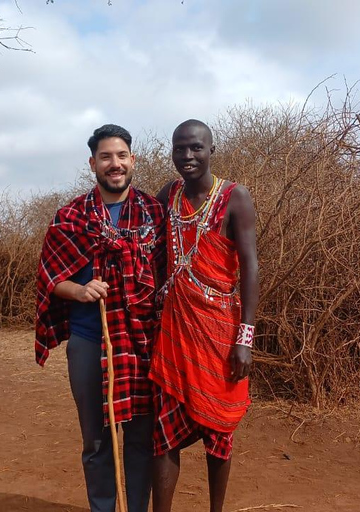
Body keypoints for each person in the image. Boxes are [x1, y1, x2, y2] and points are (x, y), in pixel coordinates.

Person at [35, 124, 165, 512]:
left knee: (142, 438)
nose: (115, 164)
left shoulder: (154, 213)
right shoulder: (70, 216)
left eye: (121, 156)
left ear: (132, 160)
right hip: (91, 339)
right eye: (106, 157)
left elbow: (168, 275)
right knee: (96, 440)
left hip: (144, 343)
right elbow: (48, 277)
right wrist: (79, 290)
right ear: (93, 163)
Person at [149, 119, 259, 512]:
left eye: (196, 148)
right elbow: (146, 247)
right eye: (180, 149)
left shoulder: (235, 198)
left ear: (211, 150)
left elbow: (250, 267)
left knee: (220, 428)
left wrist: (245, 340)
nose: (188, 156)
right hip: (175, 331)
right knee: (163, 430)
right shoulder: (168, 195)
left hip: (220, 332)